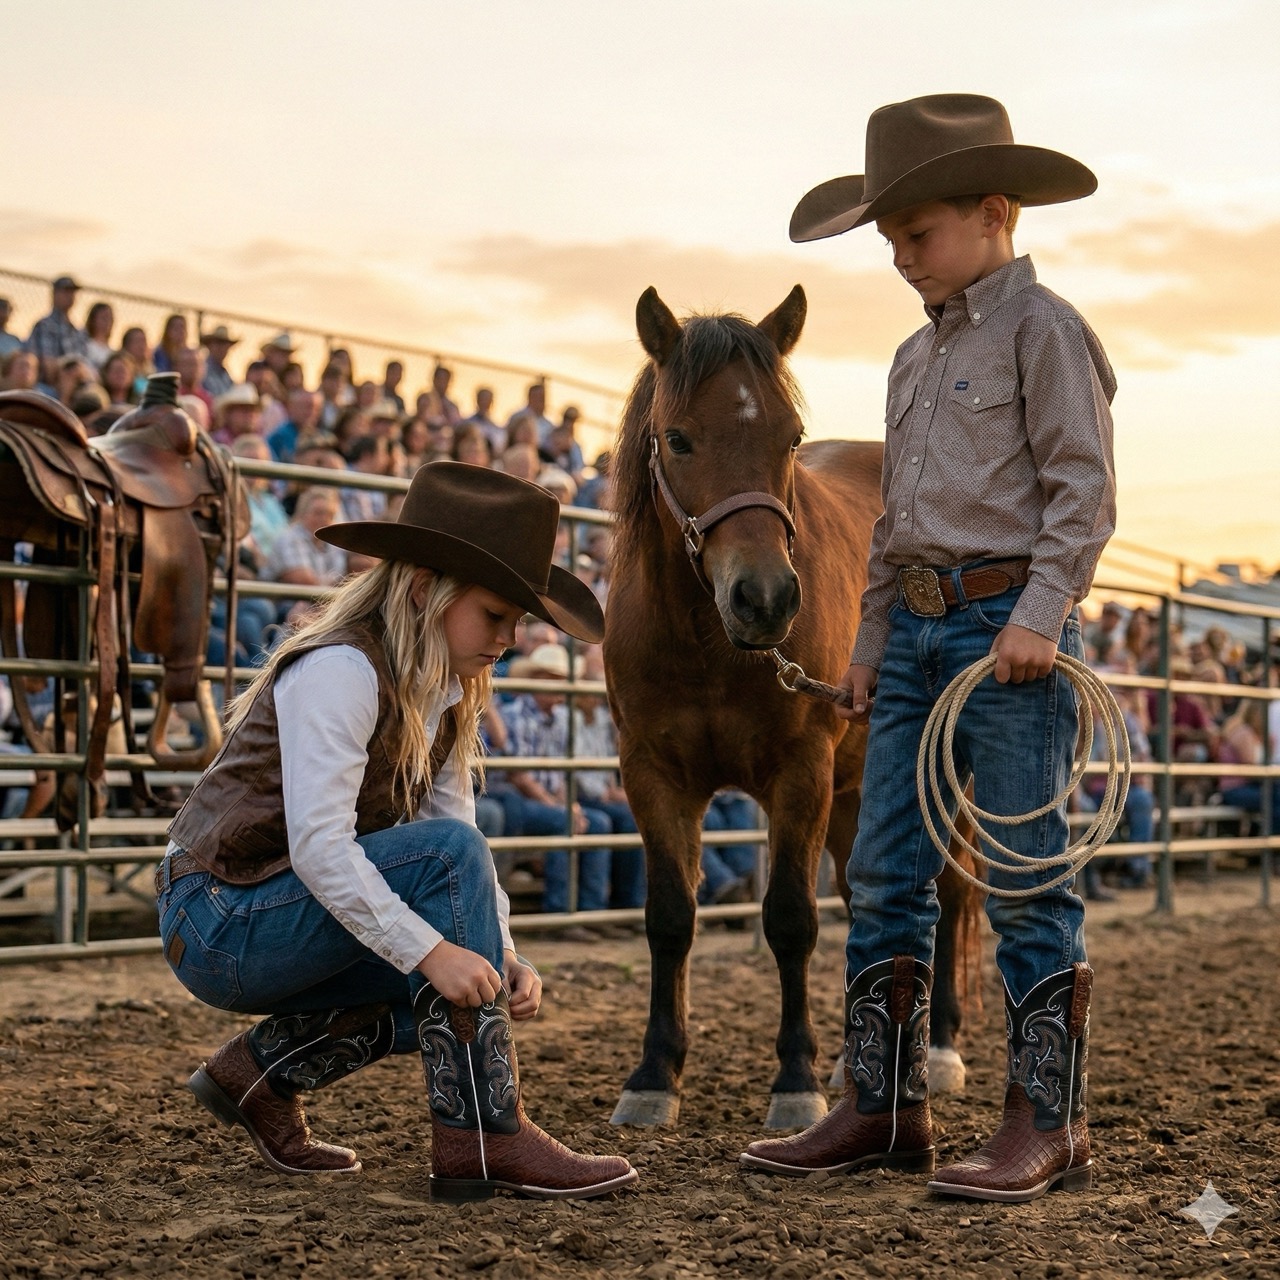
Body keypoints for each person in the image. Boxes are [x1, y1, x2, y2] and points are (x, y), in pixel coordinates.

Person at [740, 94, 1116, 1204]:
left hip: (1007, 633)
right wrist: (867, 642)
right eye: (893, 240)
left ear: (993, 213)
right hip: (911, 632)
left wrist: (1039, 614)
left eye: (918, 234)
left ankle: (1048, 1121)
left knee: (1025, 873)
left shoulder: (1044, 330)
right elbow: (895, 525)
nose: (902, 257)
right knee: (884, 869)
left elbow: (1082, 488)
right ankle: (884, 1103)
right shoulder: (913, 357)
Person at [157, 462, 636, 1199]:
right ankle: (484, 1136)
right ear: (423, 590)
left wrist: (498, 950)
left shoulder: (441, 690)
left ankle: (257, 1075)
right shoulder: (342, 668)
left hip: (268, 905)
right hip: (217, 916)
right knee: (444, 915)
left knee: (463, 972)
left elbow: (455, 826)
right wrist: (435, 951)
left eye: (516, 621)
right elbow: (324, 846)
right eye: (495, 615)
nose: (509, 639)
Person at [26, 276, 88, 384]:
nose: (70, 296)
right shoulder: (44, 325)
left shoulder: (78, 331)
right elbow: (47, 367)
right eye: (65, 291)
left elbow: (84, 365)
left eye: (72, 292)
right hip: (47, 384)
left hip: (76, 383)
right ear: (54, 294)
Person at [200, 324, 240, 399]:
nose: (222, 348)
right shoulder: (202, 369)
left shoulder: (226, 376)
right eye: (218, 343)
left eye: (225, 344)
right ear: (209, 345)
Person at [83, 301, 115, 368]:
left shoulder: (112, 353)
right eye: (103, 318)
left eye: (110, 318)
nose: (107, 322)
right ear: (93, 319)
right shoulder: (85, 344)